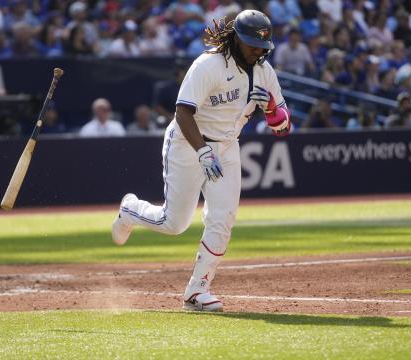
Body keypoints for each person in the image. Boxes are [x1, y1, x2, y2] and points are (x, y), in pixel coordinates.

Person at [111, 10, 290, 312]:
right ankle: (130, 210)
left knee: (223, 218)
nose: (257, 51)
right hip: (188, 143)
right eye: (251, 45)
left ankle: (197, 291)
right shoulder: (209, 64)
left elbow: (283, 128)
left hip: (228, 148)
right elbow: (183, 113)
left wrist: (273, 111)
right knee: (175, 223)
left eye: (262, 47)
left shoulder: (264, 71)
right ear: (235, 39)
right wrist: (202, 152)